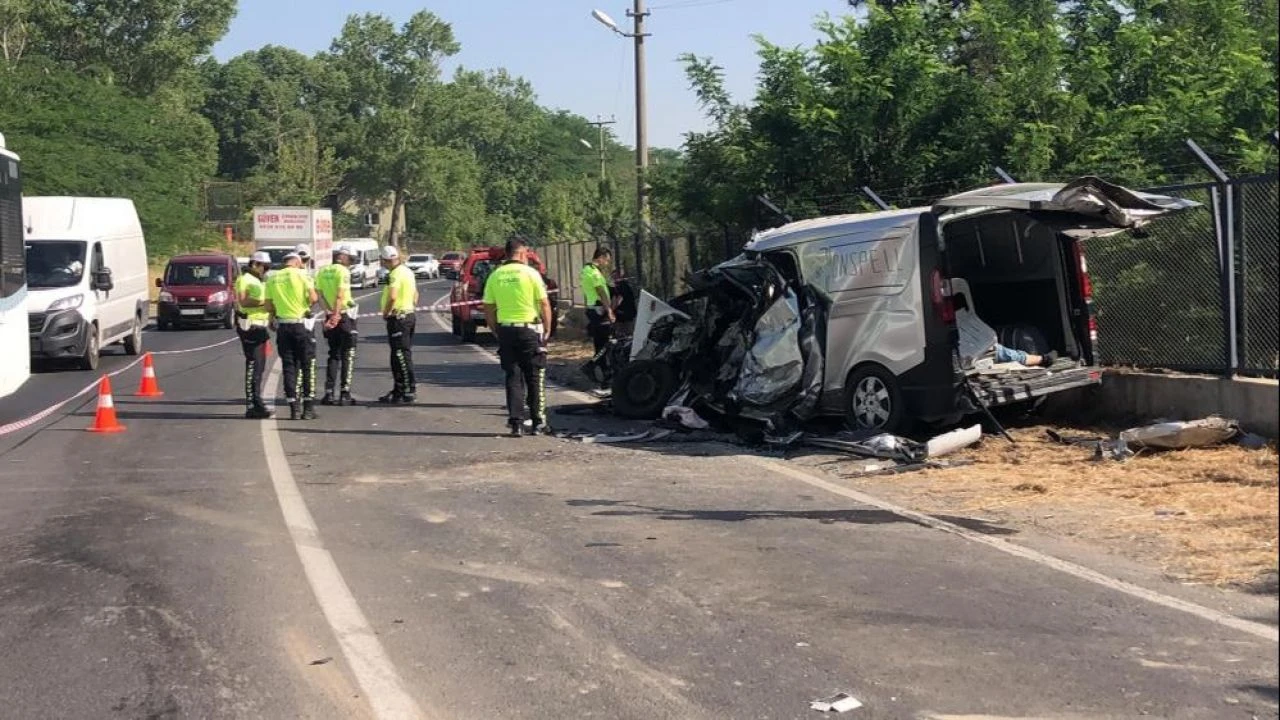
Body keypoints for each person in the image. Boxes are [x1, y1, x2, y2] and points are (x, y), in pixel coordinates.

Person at [483, 237, 553, 437]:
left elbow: (488, 306)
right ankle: (538, 422)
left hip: (506, 330)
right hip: (529, 329)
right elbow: (544, 303)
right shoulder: (531, 274)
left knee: (513, 376)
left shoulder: (496, 275)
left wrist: (495, 328)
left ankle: (516, 423)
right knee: (535, 375)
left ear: (507, 253)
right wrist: (547, 329)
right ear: (522, 253)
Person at [265, 248, 320, 420]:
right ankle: (308, 408)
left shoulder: (273, 278)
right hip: (300, 325)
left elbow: (268, 305)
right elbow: (313, 298)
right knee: (307, 364)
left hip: (283, 327)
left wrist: (273, 316)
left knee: (289, 367)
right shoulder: (302, 275)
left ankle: (294, 408)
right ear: (296, 262)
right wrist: (305, 306)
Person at [316, 244, 359, 406]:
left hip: (329, 314)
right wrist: (336, 314)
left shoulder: (323, 271)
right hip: (344, 315)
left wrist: (328, 313)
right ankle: (344, 393)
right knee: (348, 353)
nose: (351, 263)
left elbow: (319, 295)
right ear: (342, 257)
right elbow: (340, 295)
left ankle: (328, 393)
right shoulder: (343, 271)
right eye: (350, 259)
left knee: (333, 354)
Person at [234, 251, 273, 419]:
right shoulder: (245, 279)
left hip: (260, 326)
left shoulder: (258, 280)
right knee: (253, 365)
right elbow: (242, 300)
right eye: (264, 267)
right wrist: (264, 302)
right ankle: (253, 404)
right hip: (251, 326)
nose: (265, 270)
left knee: (259, 366)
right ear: (255, 264)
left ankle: (257, 402)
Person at [378, 245, 418, 403]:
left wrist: (386, 312)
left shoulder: (394, 274)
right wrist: (410, 306)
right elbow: (415, 294)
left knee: (401, 355)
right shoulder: (407, 271)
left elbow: (392, 296)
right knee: (398, 354)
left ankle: (408, 389)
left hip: (398, 317)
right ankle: (399, 389)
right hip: (408, 315)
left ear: (385, 260)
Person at [580, 247, 615, 356]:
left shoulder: (586, 269)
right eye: (607, 260)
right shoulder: (593, 272)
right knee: (604, 341)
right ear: (601, 257)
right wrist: (609, 311)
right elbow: (601, 291)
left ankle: (599, 364)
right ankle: (601, 365)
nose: (607, 263)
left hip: (592, 307)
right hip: (599, 309)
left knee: (598, 340)